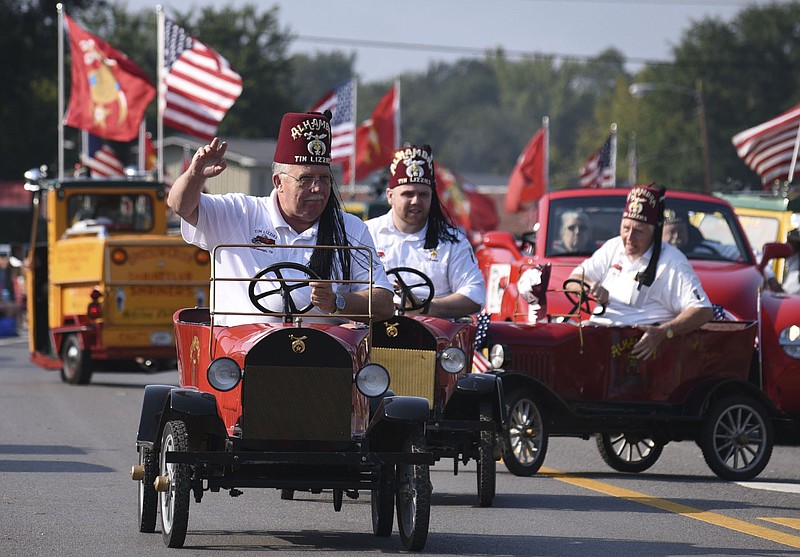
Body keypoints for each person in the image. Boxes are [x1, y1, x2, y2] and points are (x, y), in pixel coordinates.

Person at [167, 111, 394, 325]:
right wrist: (195, 174)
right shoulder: (240, 213)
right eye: (305, 179)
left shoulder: (349, 228)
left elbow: (384, 303)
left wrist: (337, 301)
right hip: (241, 355)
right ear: (278, 182)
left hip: (324, 357)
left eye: (324, 178)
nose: (317, 188)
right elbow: (180, 205)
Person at [565, 185, 714, 360]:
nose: (629, 237)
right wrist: (590, 288)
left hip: (633, 351)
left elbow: (703, 311)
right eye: (626, 228)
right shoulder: (614, 247)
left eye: (638, 231)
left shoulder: (673, 262)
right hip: (598, 337)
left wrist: (663, 332)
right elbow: (573, 281)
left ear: (654, 233)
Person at [365, 144, 485, 318]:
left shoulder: (452, 240)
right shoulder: (366, 234)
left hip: (433, 336)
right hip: (374, 334)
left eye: (423, 194)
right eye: (408, 194)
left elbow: (475, 295)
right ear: (390, 196)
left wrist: (424, 307)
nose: (415, 201)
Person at [782, 228, 800, 294]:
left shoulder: (797, 259)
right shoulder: (788, 257)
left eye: (793, 242)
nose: (788, 244)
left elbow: (792, 288)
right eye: (789, 241)